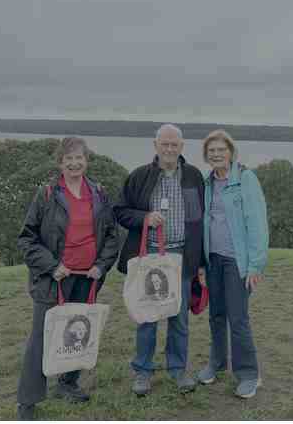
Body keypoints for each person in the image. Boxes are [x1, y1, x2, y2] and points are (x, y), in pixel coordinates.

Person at [16, 137, 120, 420]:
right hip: (54, 280)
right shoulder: (47, 194)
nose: (75, 163)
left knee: (79, 334)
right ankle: (28, 402)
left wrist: (101, 266)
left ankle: (67, 384)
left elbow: (111, 235)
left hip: (88, 278)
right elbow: (27, 239)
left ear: (87, 161)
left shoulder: (98, 192)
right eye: (69, 159)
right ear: (60, 162)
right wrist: (51, 266)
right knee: (41, 338)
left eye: (80, 158)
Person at [114, 124, 205, 396]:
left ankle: (178, 369)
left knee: (179, 318)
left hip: (183, 258)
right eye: (164, 144)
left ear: (181, 147)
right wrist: (144, 218)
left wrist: (200, 263)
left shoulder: (193, 176)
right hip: (150, 258)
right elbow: (120, 211)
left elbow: (199, 223)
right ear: (155, 146)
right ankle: (143, 371)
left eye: (174, 145)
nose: (169, 149)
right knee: (147, 318)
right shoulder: (140, 176)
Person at [196, 129, 268, 399]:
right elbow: (205, 224)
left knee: (238, 320)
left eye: (220, 150)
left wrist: (256, 265)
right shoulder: (206, 182)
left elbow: (257, 224)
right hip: (213, 260)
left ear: (231, 153)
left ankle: (249, 374)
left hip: (237, 262)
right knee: (216, 316)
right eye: (211, 151)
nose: (216, 155)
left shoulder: (246, 179)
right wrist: (202, 263)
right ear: (206, 156)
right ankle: (216, 363)